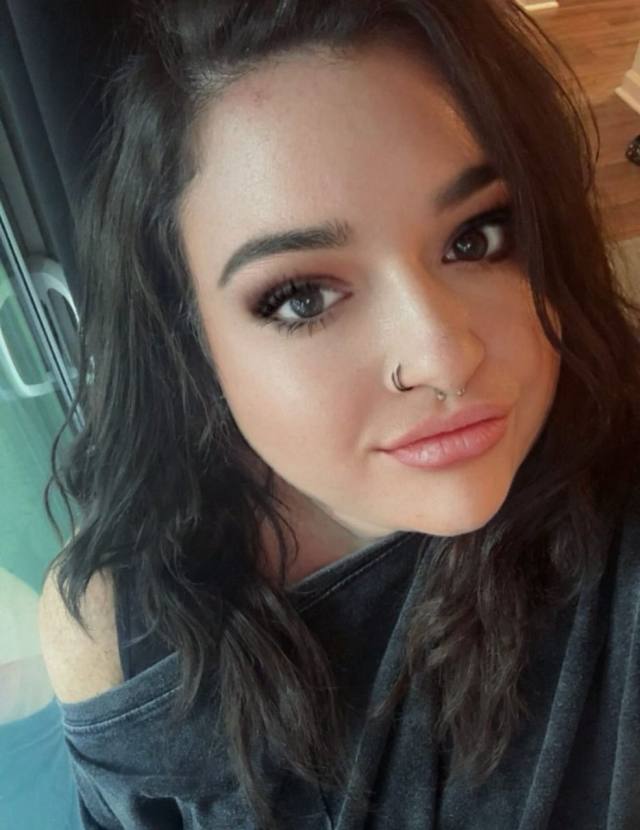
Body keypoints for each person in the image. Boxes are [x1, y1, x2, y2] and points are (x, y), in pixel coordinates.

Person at [37, 1, 640, 828]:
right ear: (192, 341)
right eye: (302, 298)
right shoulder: (120, 625)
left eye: (476, 238)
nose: (442, 357)